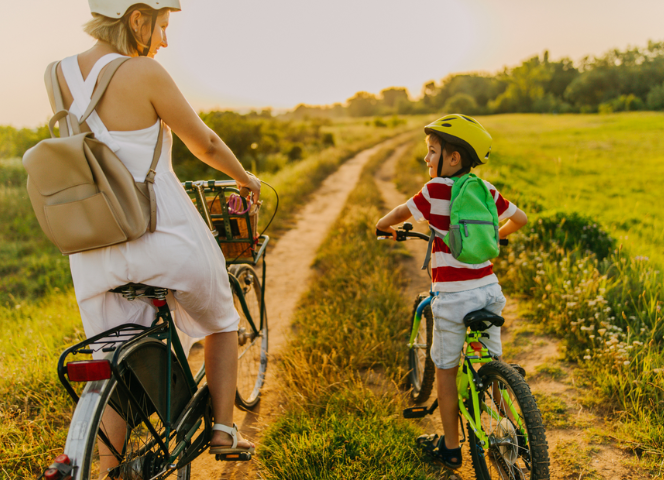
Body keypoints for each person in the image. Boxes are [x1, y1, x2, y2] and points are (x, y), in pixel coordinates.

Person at [50, 0, 258, 473]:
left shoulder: (56, 75)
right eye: (163, 25)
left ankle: (105, 468)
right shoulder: (144, 74)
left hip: (92, 248)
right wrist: (246, 179)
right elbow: (203, 142)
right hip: (160, 233)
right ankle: (224, 427)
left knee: (112, 360)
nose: (165, 39)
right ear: (137, 18)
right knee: (221, 318)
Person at [375, 114, 528, 469]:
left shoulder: (434, 191)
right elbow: (520, 220)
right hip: (489, 291)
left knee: (445, 369)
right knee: (491, 363)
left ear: (453, 157)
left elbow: (400, 213)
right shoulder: (487, 190)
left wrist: (382, 225)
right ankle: (516, 426)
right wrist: (491, 238)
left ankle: (450, 446)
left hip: (454, 297)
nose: (427, 159)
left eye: (431, 151)